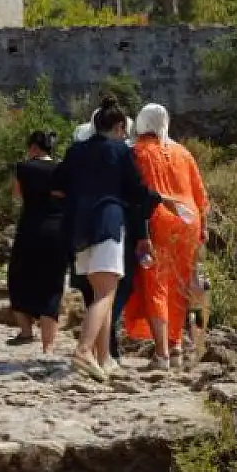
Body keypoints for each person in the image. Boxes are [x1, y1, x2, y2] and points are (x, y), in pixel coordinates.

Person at [52, 97, 169, 379]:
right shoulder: (119, 152)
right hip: (107, 223)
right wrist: (163, 199)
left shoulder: (75, 151)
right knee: (106, 293)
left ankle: (104, 359)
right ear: (119, 126)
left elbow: (57, 186)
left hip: (79, 229)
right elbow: (137, 193)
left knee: (98, 291)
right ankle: (84, 351)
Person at [120, 104, 207, 371]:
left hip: (156, 220)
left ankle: (162, 353)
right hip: (188, 220)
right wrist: (202, 227)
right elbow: (201, 196)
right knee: (179, 285)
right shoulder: (183, 152)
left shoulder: (137, 152)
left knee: (156, 284)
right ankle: (177, 345)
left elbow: (134, 193)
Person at [6, 130, 68, 352]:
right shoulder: (62, 169)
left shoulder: (24, 168)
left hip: (30, 229)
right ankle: (48, 346)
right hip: (57, 230)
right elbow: (67, 195)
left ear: (33, 147)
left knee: (18, 277)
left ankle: (25, 331)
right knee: (52, 285)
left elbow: (16, 194)